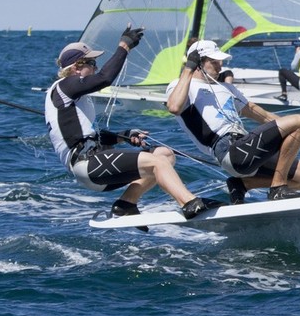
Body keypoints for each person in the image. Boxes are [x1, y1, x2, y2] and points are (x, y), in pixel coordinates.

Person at [45, 26, 215, 222]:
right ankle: (190, 203)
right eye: (92, 63)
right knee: (157, 163)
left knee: (164, 155)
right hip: (88, 165)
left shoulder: (74, 98)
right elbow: (105, 78)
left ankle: (126, 204)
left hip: (95, 163)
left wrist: (123, 135)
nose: (96, 68)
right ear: (76, 67)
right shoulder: (65, 86)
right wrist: (124, 46)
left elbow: (88, 135)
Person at [166, 39, 300, 204]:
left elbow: (265, 116)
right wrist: (188, 69)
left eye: (220, 62)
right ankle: (277, 189)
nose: (220, 66)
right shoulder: (182, 86)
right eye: (214, 62)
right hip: (228, 150)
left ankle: (242, 185)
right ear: (198, 63)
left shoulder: (228, 89)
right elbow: (174, 107)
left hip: (245, 145)